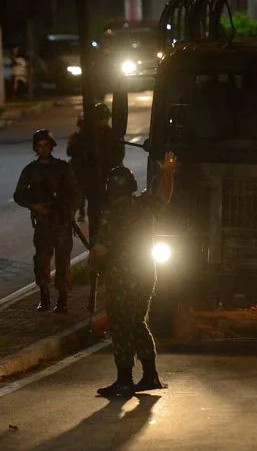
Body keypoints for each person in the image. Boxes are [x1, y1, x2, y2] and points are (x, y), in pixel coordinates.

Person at [89, 152, 177, 398]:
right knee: (137, 320)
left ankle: (124, 380)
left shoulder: (111, 215)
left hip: (121, 277)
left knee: (120, 325)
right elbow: (164, 197)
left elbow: (100, 251)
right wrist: (168, 172)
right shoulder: (144, 206)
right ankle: (150, 375)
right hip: (147, 272)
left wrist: (93, 265)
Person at [13, 129, 82, 313]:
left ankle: (62, 300)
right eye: (39, 146)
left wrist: (69, 211)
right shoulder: (30, 171)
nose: (43, 149)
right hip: (43, 223)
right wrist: (34, 206)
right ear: (36, 148)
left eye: (46, 145)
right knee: (41, 261)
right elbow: (18, 195)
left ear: (51, 146)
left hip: (61, 222)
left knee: (63, 261)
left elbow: (76, 193)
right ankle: (44, 296)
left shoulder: (62, 168)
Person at [66, 102, 125, 233]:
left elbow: (117, 156)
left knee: (103, 210)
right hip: (86, 176)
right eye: (101, 119)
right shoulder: (85, 134)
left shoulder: (110, 135)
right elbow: (71, 151)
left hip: (103, 177)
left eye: (105, 119)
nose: (104, 122)